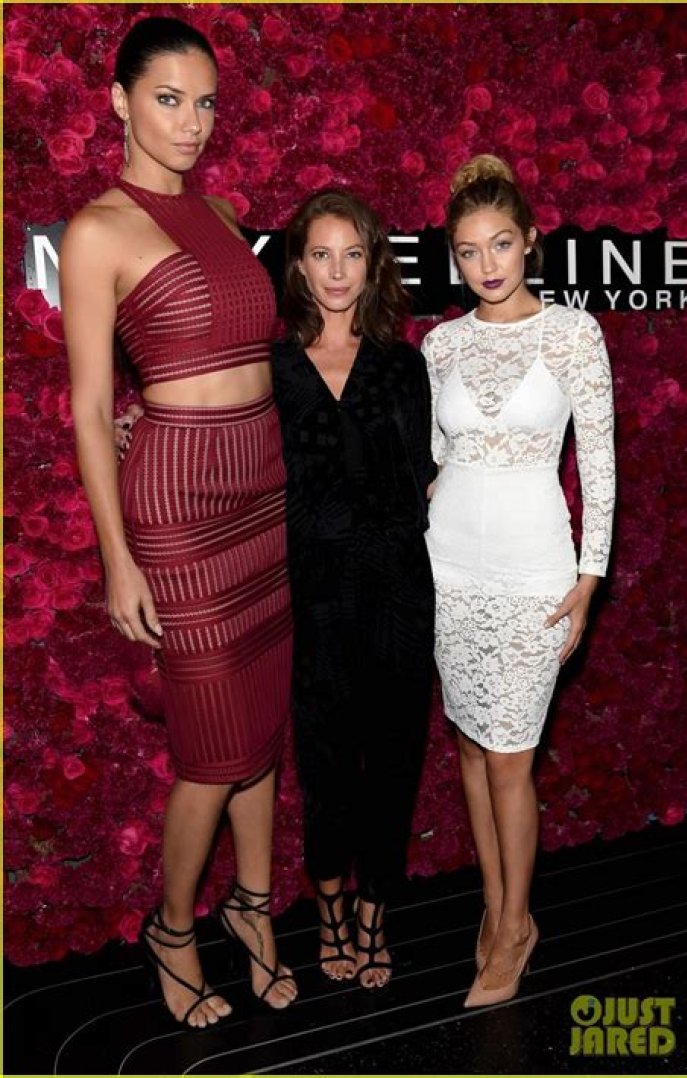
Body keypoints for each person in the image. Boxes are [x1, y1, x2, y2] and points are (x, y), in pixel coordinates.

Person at [60, 16, 298, 1029]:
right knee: (212, 749)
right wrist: (118, 560)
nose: (191, 123)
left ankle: (251, 908)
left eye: (204, 103)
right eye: (168, 99)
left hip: (262, 493)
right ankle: (171, 927)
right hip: (179, 512)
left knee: (261, 728)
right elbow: (88, 404)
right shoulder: (96, 232)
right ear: (119, 101)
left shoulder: (224, 211)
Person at [421, 155, 615, 1007]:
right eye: (469, 251)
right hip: (448, 567)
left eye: (500, 244)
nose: (486, 264)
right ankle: (496, 907)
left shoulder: (573, 333)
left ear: (530, 241)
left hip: (535, 572)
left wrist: (590, 577)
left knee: (509, 756)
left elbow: (599, 464)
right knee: (470, 745)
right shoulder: (440, 344)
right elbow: (436, 462)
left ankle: (515, 928)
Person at [272, 190, 436, 988]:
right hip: (314, 596)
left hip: (398, 588)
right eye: (321, 254)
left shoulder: (403, 364)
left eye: (352, 254)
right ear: (300, 267)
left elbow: (428, 475)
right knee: (326, 761)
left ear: (373, 266)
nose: (337, 272)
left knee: (395, 758)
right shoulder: (273, 369)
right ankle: (330, 905)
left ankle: (374, 908)